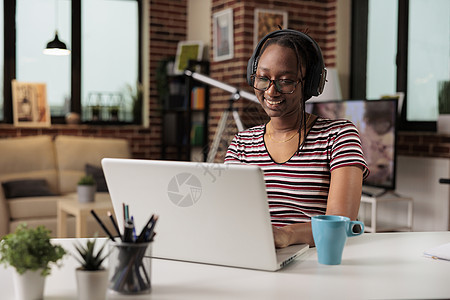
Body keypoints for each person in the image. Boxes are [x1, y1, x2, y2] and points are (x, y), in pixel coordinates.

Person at [224, 29, 369, 248]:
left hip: (316, 261)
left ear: (310, 84)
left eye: (286, 81)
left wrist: (286, 235)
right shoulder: (241, 144)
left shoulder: (339, 136)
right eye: (263, 79)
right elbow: (228, 216)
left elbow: (341, 224)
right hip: (255, 256)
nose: (272, 91)